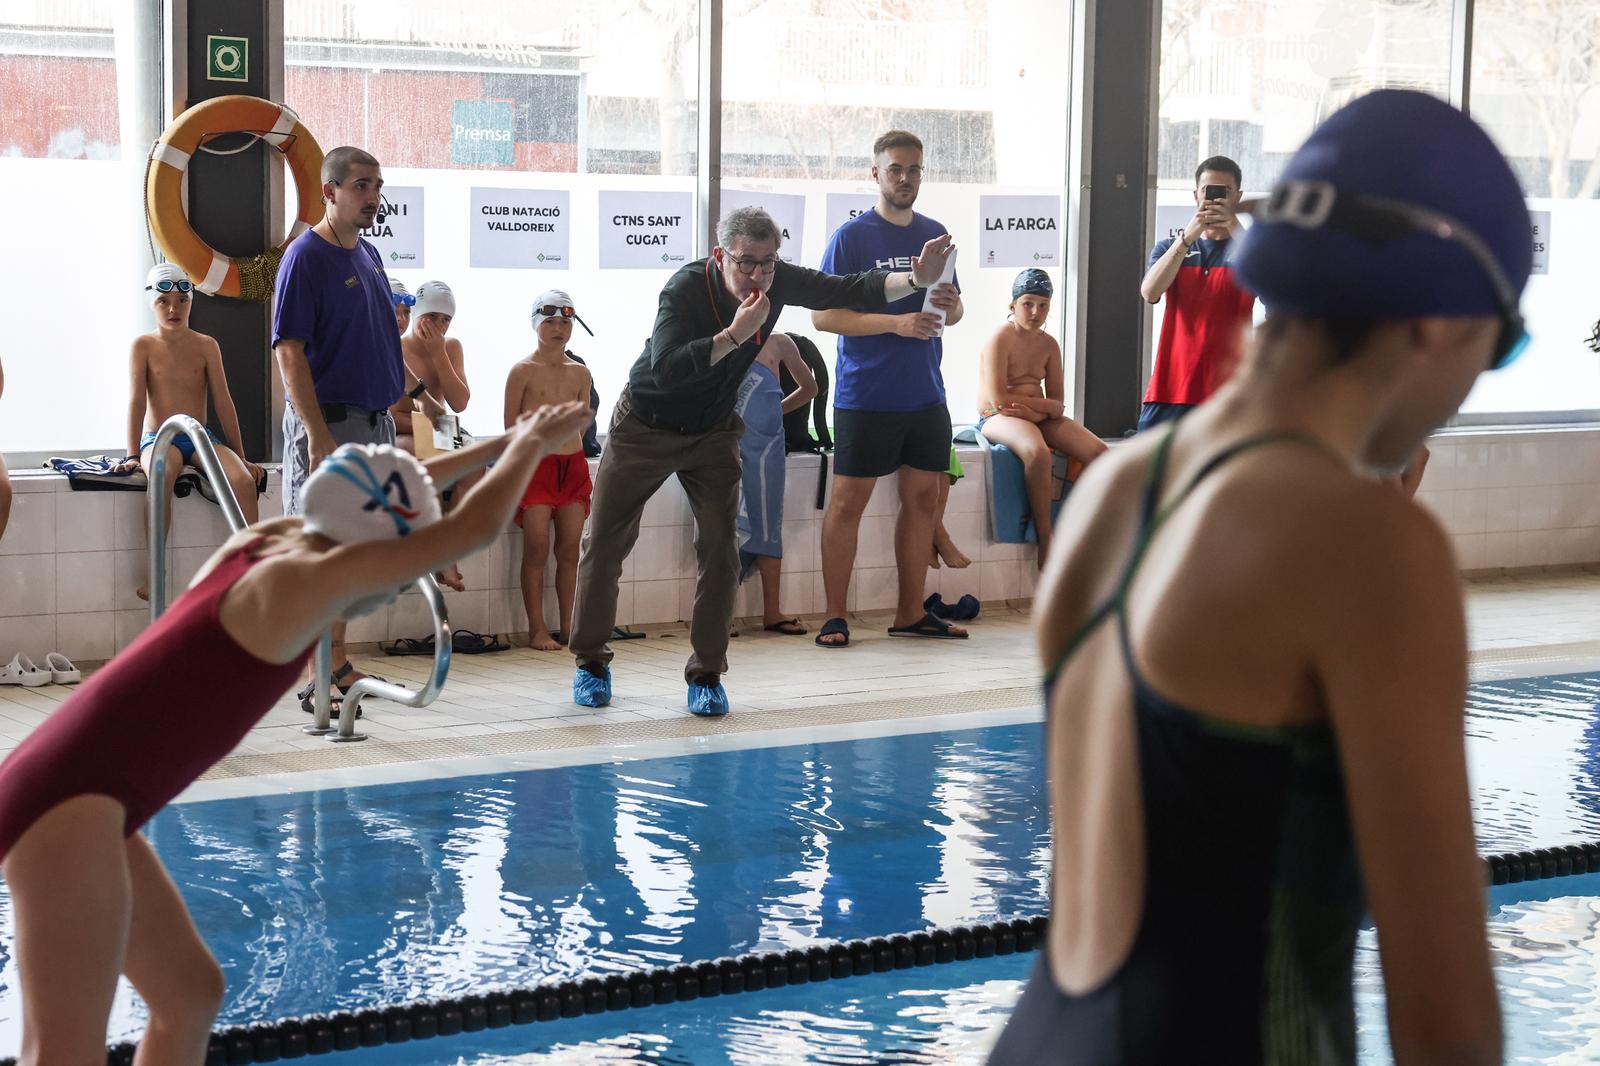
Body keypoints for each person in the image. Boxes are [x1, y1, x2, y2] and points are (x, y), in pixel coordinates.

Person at [988, 90, 1526, 1065]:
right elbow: (1446, 1023)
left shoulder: (1116, 496)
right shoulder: (1367, 546)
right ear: (1444, 321)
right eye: (1502, 346)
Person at [0, 401, 590, 1066]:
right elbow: (468, 531)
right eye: (394, 572)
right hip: (67, 803)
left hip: (81, 790)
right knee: (60, 1053)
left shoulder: (277, 537)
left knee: (190, 996)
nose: (388, 591)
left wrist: (510, 439)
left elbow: (395, 480)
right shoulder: (305, 581)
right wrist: (531, 445)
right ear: (377, 552)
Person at [567, 205, 953, 717]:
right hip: (647, 423)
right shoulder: (684, 289)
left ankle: (706, 673)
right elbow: (667, 366)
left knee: (722, 550)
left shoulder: (775, 280)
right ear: (719, 254)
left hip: (713, 430)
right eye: (747, 262)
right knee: (606, 544)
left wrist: (915, 278)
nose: (758, 275)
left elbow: (843, 288)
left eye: (768, 263)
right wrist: (734, 334)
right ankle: (591, 662)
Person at [814, 130, 966, 649]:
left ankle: (909, 612)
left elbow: (957, 309)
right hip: (866, 394)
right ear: (876, 174)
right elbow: (824, 316)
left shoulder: (936, 235)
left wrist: (949, 305)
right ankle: (835, 615)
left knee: (923, 500)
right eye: (895, 169)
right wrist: (894, 325)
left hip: (925, 392)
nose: (905, 178)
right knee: (847, 503)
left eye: (914, 170)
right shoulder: (851, 238)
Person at [272, 145, 406, 708]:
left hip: (373, 425)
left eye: (376, 186)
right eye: (360, 186)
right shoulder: (306, 257)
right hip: (330, 424)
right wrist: (318, 437)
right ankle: (316, 677)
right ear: (329, 192)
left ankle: (341, 664)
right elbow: (289, 352)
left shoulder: (368, 254)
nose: (372, 197)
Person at [118, 264, 265, 600]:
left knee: (243, 480)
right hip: (160, 438)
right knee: (160, 475)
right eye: (164, 301)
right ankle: (155, 572)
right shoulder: (143, 346)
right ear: (152, 304)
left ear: (191, 303)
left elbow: (224, 402)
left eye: (182, 300)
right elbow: (136, 402)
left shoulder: (206, 345)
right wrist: (131, 454)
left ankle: (252, 568)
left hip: (200, 436)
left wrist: (241, 457)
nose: (173, 309)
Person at [976, 269, 1107, 564]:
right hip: (998, 415)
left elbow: (1058, 401)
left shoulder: (1049, 345)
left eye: (1043, 305)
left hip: (1035, 413)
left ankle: (1088, 529)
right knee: (1037, 453)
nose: (1036, 312)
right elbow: (999, 399)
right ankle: (1046, 533)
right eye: (1028, 304)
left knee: (1099, 453)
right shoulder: (1000, 338)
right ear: (1013, 305)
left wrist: (1040, 409)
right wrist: (1042, 408)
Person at [1137, 155, 1256, 433]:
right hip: (1169, 389)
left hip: (1227, 394)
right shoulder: (1170, 247)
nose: (1215, 198)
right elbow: (1149, 292)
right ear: (1196, 195)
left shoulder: (1250, 252)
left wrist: (1236, 229)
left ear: (1237, 196)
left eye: (1224, 191)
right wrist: (1187, 237)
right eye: (1208, 190)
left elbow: (1275, 295)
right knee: (1154, 475)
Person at [505, 290, 596, 651]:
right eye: (550, 321)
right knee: (537, 549)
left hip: (571, 468)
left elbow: (584, 423)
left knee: (571, 551)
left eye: (565, 322)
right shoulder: (522, 371)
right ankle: (536, 629)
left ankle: (569, 624)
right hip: (535, 468)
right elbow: (511, 428)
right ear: (536, 325)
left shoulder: (581, 373)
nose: (558, 328)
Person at [735, 332, 817, 636]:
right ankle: (722, 613)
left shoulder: (780, 343)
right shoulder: (721, 337)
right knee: (727, 527)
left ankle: (772, 611)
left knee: (769, 526)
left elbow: (810, 388)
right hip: (731, 443)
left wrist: (776, 410)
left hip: (769, 445)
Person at [398, 279, 473, 591]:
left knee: (475, 463)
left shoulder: (451, 347)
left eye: (446, 320)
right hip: (402, 425)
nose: (439, 326)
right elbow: (391, 414)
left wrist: (439, 354)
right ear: (418, 315)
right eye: (432, 318)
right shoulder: (397, 346)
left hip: (438, 427)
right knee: (423, 458)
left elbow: (460, 402)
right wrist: (427, 426)